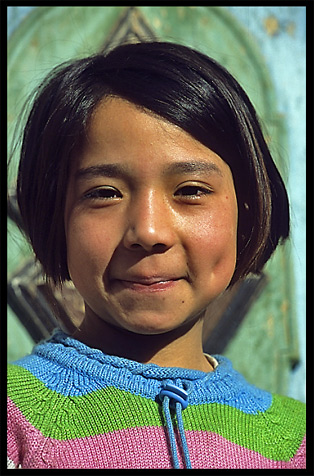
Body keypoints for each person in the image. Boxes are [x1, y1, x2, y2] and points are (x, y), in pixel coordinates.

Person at [7, 41, 305, 469]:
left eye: (191, 191)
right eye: (105, 193)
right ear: (56, 218)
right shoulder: (17, 421)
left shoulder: (293, 442)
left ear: (248, 210)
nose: (148, 232)